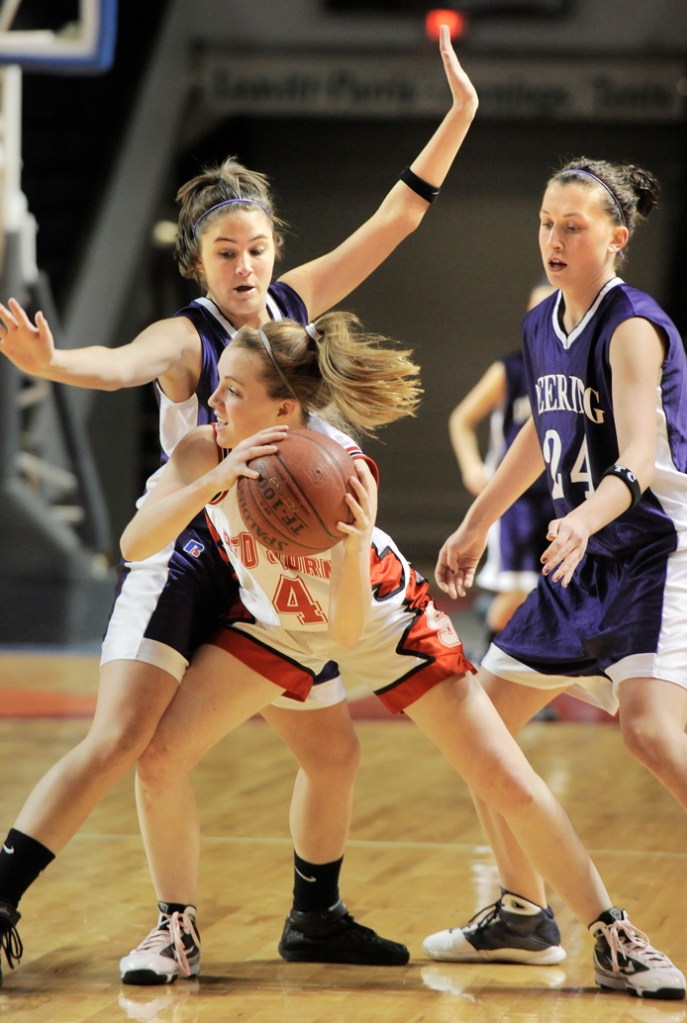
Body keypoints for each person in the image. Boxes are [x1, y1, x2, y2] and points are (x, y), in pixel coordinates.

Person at [0, 25, 477, 986]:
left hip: (271, 565)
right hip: (186, 549)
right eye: (226, 252)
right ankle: (52, 901)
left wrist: (460, 113)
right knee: (125, 739)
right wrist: (52, 364)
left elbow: (394, 220)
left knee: (331, 752)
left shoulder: (294, 308)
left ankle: (315, 915)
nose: (246, 266)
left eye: (257, 248)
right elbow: (119, 364)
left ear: (274, 251)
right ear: (198, 261)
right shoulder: (188, 337)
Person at [120, 311, 686, 1001]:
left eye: (232, 391)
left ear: (284, 408)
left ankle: (611, 933)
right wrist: (211, 485)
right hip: (277, 622)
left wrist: (356, 544)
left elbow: (345, 629)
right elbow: (134, 543)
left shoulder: (339, 472)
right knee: (159, 755)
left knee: (503, 777)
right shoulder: (203, 450)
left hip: (382, 619)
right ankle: (175, 929)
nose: (213, 399)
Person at [424, 157, 687, 997]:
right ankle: (522, 912)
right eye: (545, 223)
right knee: (478, 725)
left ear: (615, 237)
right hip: (585, 552)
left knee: (650, 731)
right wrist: (475, 523)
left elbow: (637, 456)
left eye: (572, 226)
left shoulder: (631, 325)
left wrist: (582, 519)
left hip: (662, 545)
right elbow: (537, 433)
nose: (552, 238)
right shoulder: (540, 322)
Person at [447, 282, 554, 649]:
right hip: (516, 500)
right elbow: (462, 419)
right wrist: (471, 467)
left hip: (560, 496)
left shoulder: (580, 369)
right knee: (519, 590)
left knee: (552, 591)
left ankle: (517, 656)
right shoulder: (510, 369)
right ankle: (491, 657)